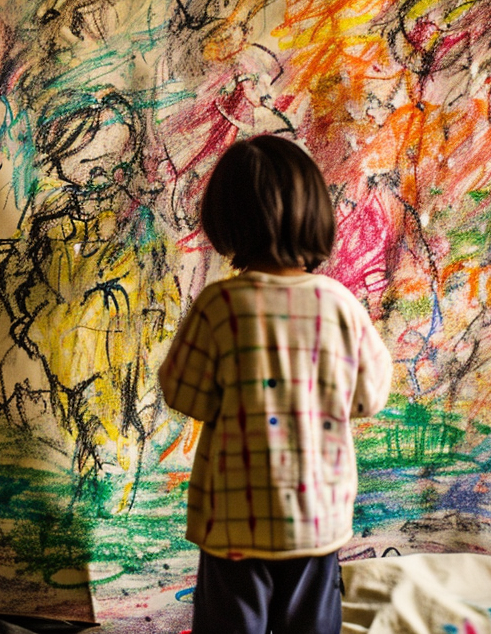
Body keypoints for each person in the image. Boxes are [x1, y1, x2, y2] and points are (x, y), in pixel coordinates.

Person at [158, 134, 393, 634]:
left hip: (233, 524)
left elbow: (184, 393)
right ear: (314, 213)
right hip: (317, 519)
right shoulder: (341, 306)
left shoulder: (219, 306)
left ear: (225, 220)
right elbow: (370, 397)